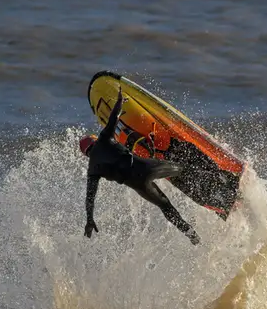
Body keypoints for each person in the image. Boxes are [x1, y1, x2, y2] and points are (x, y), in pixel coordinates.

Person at [80, 85, 200, 245]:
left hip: (139, 185)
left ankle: (192, 235)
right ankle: (211, 176)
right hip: (145, 168)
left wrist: (90, 219)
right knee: (181, 169)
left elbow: (90, 198)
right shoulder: (103, 140)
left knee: (165, 206)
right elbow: (113, 119)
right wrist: (120, 101)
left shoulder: (93, 169)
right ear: (94, 140)